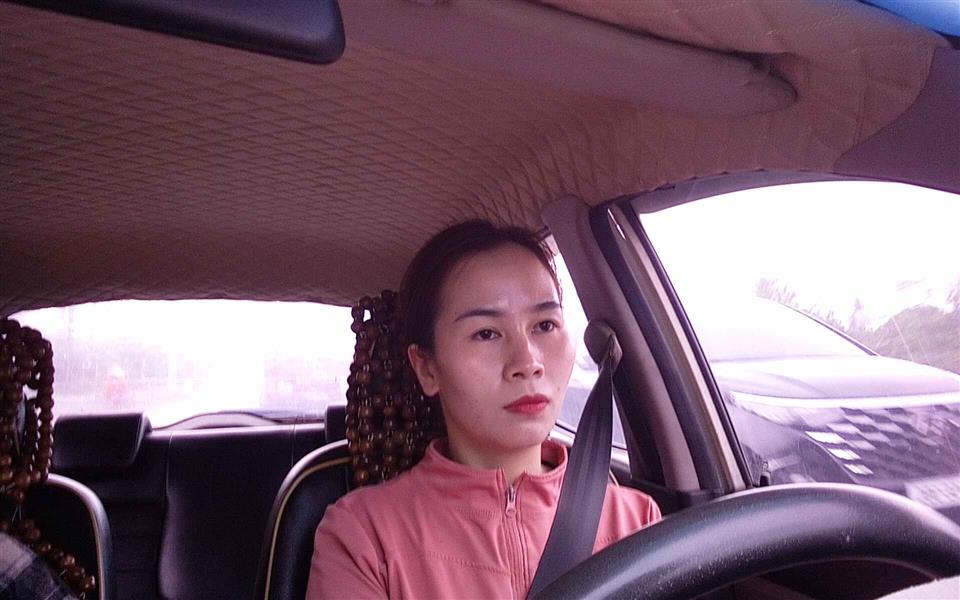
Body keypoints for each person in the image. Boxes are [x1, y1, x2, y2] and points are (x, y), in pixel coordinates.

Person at [305, 220, 661, 599]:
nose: (528, 362)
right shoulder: (363, 537)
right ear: (427, 368)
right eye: (486, 333)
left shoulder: (635, 522)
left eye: (544, 325)